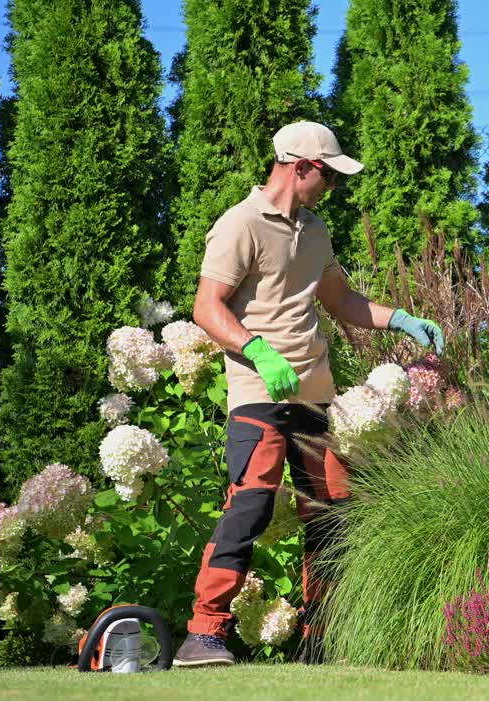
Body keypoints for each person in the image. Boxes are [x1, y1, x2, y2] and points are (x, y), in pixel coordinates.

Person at [173, 121, 444, 667]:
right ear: (300, 166)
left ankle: (323, 638)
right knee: (249, 507)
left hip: (316, 398)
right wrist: (258, 351)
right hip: (259, 392)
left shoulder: (315, 230)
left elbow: (341, 299)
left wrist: (400, 319)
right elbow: (207, 307)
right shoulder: (240, 225)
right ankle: (203, 634)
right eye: (329, 175)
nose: (333, 186)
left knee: (331, 515)